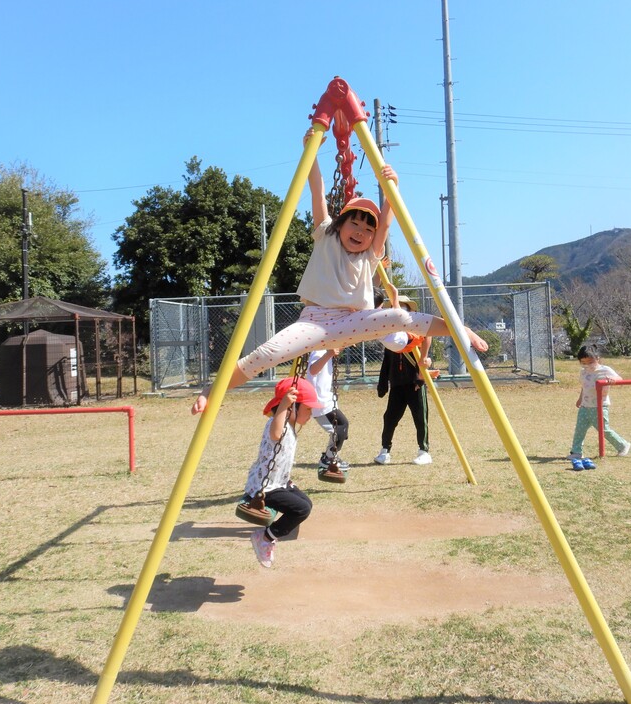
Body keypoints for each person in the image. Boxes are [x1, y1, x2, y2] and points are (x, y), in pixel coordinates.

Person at [191, 129, 488, 415]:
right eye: (354, 224)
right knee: (267, 354)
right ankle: (211, 389)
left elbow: (385, 222)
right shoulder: (326, 236)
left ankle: (461, 330)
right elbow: (317, 192)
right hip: (314, 322)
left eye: (367, 229)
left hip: (352, 321)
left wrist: (391, 188)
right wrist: (312, 155)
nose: (360, 232)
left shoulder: (372, 254)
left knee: (400, 318)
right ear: (340, 224)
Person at [245, 376, 321, 568]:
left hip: (279, 482)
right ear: (291, 408)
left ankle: (273, 533)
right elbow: (276, 435)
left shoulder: (290, 425)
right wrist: (283, 406)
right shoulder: (278, 424)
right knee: (301, 510)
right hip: (264, 487)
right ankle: (265, 537)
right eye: (308, 409)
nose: (311, 413)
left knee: (306, 503)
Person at [374, 298, 434, 466]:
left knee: (420, 417)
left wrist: (421, 376)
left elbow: (425, 353)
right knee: (390, 418)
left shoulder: (417, 335)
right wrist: (383, 383)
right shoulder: (392, 339)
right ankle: (385, 450)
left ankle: (424, 450)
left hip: (414, 383)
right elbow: (386, 362)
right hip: (397, 384)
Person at [568, 343, 631, 470]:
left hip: (600, 406)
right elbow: (584, 387)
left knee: (604, 429)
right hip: (585, 406)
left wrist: (613, 380)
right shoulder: (583, 372)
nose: (587, 365)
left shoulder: (605, 370)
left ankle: (623, 445)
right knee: (579, 430)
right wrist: (580, 399)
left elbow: (619, 378)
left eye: (590, 361)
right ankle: (576, 452)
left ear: (597, 358)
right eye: (583, 362)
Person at [307, 347, 350, 477]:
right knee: (339, 429)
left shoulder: (326, 351)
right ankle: (328, 459)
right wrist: (329, 354)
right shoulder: (319, 351)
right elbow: (313, 370)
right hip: (319, 402)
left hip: (326, 399)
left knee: (342, 427)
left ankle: (330, 456)